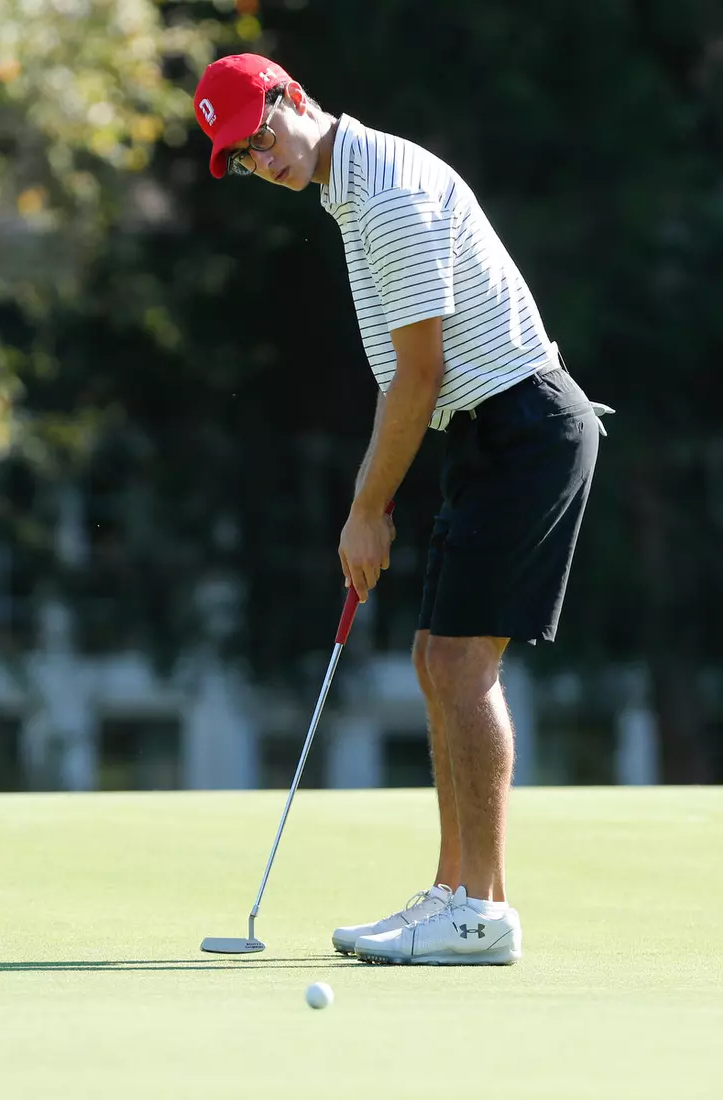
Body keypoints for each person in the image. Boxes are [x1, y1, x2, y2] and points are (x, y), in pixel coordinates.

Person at [193, 54, 612, 966]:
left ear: (292, 98)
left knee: (461, 666)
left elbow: (417, 375)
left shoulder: (383, 193)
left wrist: (365, 508)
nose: (259, 161)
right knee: (435, 660)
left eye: (259, 137)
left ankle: (478, 910)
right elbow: (407, 378)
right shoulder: (349, 193)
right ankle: (458, 893)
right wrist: (374, 504)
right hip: (490, 433)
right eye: (240, 158)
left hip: (527, 428)